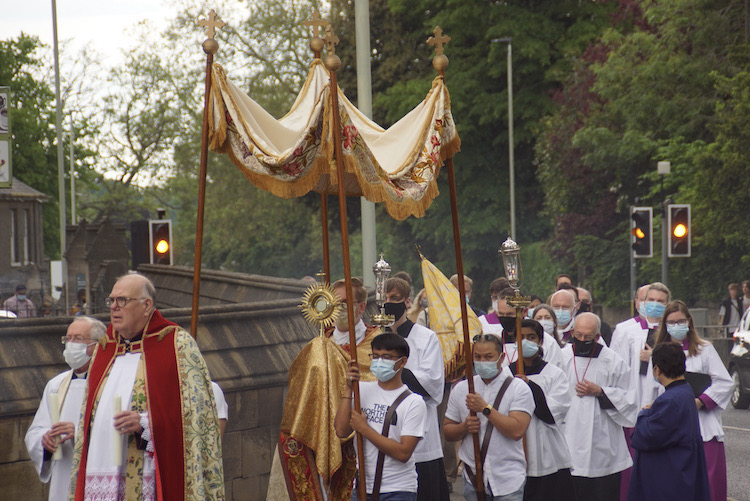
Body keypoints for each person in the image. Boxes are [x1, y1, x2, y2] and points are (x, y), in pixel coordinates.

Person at [69, 273, 223, 500]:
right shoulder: (104, 349)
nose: (113, 307)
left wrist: (145, 423)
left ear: (146, 305)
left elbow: (196, 419)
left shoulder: (176, 345)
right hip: (99, 469)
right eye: (111, 300)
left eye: (121, 300)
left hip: (149, 473)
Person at [278, 277, 375, 499]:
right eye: (332, 302)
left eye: (343, 303)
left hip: (358, 436)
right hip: (319, 431)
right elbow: (301, 391)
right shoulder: (318, 345)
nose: (336, 309)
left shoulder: (375, 344)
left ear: (361, 307)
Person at [654, 301, 733, 501]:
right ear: (665, 325)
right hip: (671, 428)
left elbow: (724, 382)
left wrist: (700, 401)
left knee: (708, 485)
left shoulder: (704, 349)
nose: (676, 325)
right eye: (671, 322)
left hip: (703, 428)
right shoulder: (659, 353)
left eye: (680, 321)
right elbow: (652, 388)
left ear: (689, 322)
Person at [335, 333, 427, 500]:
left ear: (402, 362)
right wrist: (348, 388)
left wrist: (365, 429)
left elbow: (403, 453)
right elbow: (341, 430)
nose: (379, 362)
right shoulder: (361, 390)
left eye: (387, 357)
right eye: (375, 356)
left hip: (397, 489)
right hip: (362, 486)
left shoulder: (414, 402)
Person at [443, 333, 534, 500]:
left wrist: (485, 408)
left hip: (508, 480)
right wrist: (464, 427)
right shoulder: (462, 388)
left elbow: (516, 431)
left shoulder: (518, 388)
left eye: (488, 357)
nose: (482, 362)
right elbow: (448, 432)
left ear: (501, 357)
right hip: (472, 478)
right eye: (477, 357)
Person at [25, 316, 107, 501]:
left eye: (78, 339)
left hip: (97, 473)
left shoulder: (109, 382)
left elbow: (116, 430)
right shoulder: (56, 385)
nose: (70, 344)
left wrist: (79, 433)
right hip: (63, 472)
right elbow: (35, 431)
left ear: (97, 345)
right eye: (68, 338)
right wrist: (44, 441)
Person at [384, 277, 449, 500]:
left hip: (421, 438)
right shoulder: (375, 338)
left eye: (394, 298)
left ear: (408, 302)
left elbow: (432, 384)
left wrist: (394, 367)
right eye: (384, 298)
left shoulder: (426, 337)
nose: (388, 303)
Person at [561, 312, 637, 501]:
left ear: (597, 336)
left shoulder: (612, 360)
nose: (582, 339)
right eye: (578, 335)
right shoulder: (561, 357)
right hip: (568, 436)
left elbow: (630, 397)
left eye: (588, 337)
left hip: (601, 442)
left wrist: (601, 392)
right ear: (572, 332)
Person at [628, 342, 710, 501]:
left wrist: (644, 413)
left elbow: (646, 436)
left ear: (656, 370)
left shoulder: (670, 400)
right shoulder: (685, 391)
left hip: (667, 477)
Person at [609, 282, 668, 501]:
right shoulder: (625, 330)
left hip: (661, 402)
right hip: (632, 404)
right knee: (632, 466)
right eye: (649, 300)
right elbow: (616, 369)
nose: (654, 305)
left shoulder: (671, 329)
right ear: (639, 303)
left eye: (660, 301)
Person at [512, 320, 575, 501]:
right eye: (521, 337)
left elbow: (552, 414)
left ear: (540, 341)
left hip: (547, 450)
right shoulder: (506, 374)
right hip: (514, 450)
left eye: (531, 337)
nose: (525, 342)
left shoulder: (554, 374)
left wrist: (530, 386)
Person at [480, 289, 564, 371]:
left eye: (510, 314)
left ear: (524, 311)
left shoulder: (547, 342)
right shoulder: (494, 341)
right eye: (501, 314)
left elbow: (555, 374)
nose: (505, 319)